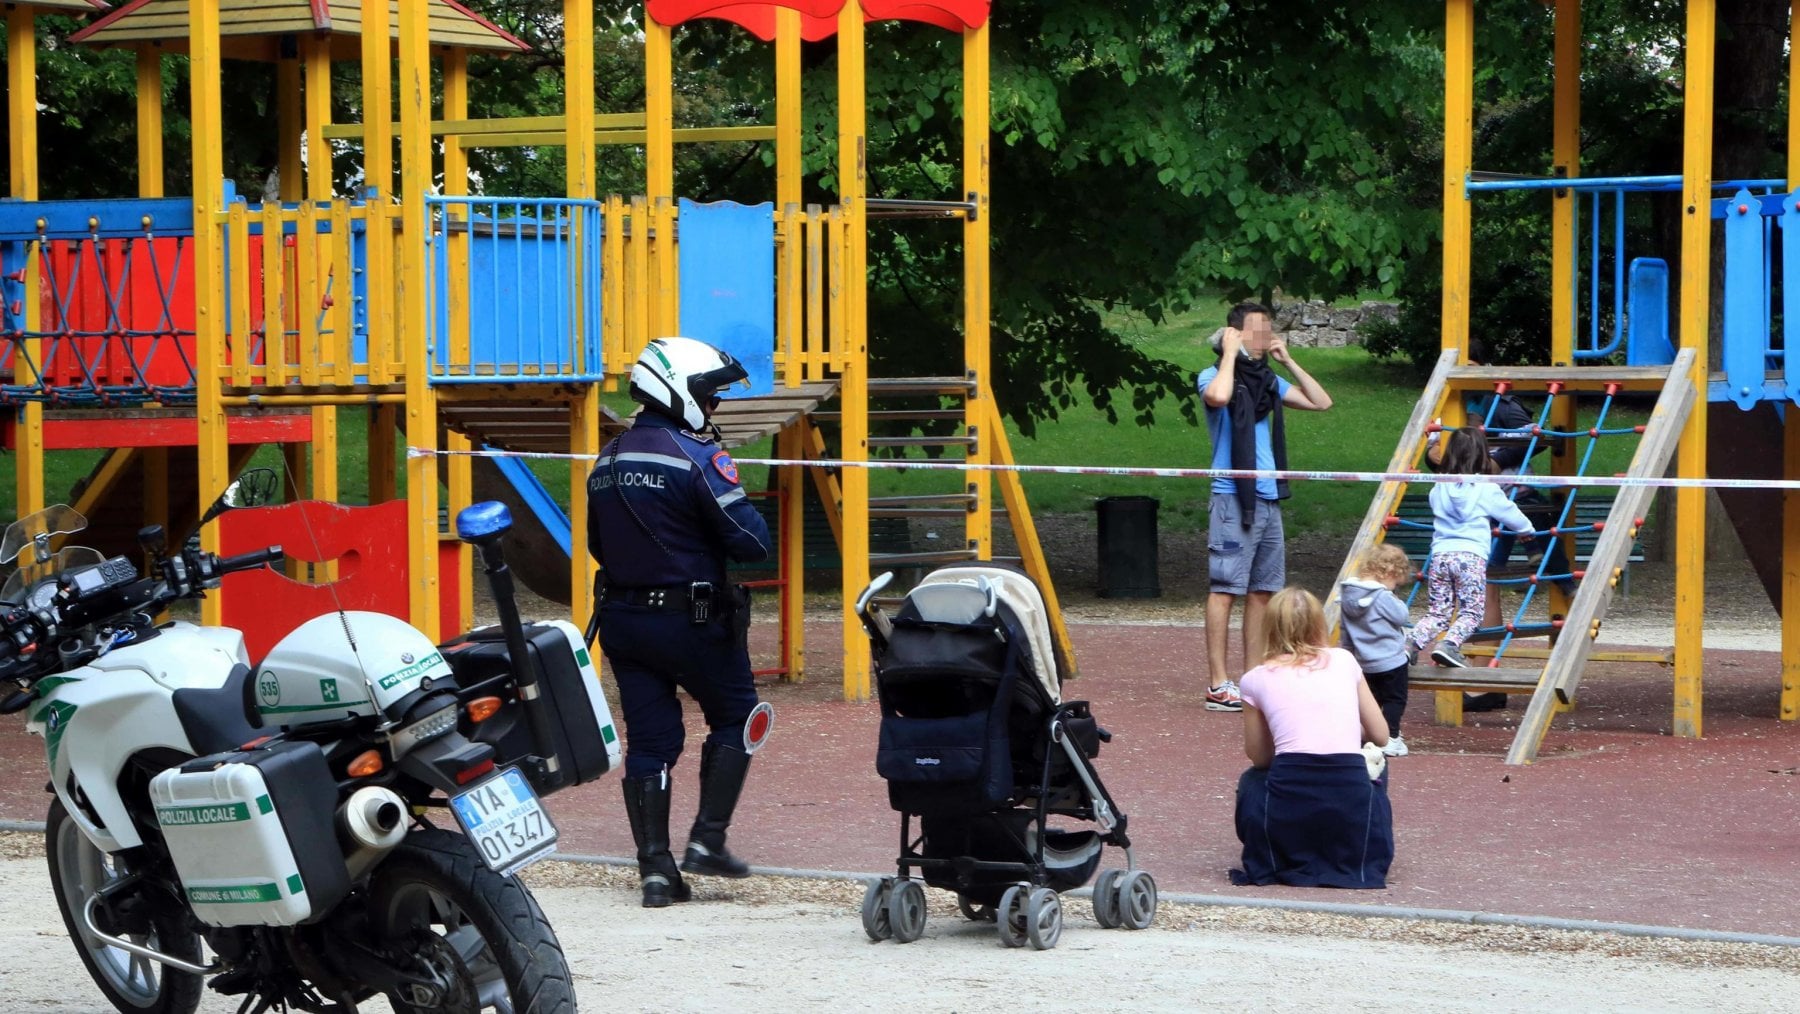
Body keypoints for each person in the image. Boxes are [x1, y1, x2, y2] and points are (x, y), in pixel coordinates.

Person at [588, 336, 775, 908]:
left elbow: (597, 545)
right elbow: (751, 544)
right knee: (740, 716)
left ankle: (655, 870)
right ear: (682, 394)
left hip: (622, 620)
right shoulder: (697, 457)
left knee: (651, 739)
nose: (714, 408)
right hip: (692, 621)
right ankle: (707, 841)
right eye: (711, 397)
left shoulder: (607, 459)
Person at [1198, 302, 1334, 712]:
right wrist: (1227, 354)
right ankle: (1218, 684)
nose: (1264, 338)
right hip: (1232, 493)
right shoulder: (1213, 375)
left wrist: (1288, 360)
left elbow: (1321, 402)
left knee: (1262, 591)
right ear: (1234, 333)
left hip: (1269, 495)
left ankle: (1252, 677)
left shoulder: (1268, 381)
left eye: (1268, 330)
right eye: (1256, 331)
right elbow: (1219, 396)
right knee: (1225, 589)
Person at [1230, 587, 1394, 889]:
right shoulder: (1344, 661)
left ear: (1269, 628)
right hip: (1348, 791)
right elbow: (1381, 735)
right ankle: (1354, 844)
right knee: (1378, 766)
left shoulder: (1255, 679)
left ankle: (1279, 850)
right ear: (1320, 624)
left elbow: (1260, 757)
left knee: (1252, 780)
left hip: (1289, 794)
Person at [1408, 427, 1535, 669]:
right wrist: (1527, 531)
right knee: (1472, 612)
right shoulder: (1486, 488)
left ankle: (1411, 644)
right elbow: (1511, 515)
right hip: (1470, 557)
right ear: (1482, 455)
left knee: (1438, 612)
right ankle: (1449, 645)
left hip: (1441, 557)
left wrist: (1433, 441)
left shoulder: (1438, 488)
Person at [1338, 543, 1414, 757]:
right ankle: (1391, 737)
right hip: (1391, 660)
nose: (1395, 587)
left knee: (1369, 701)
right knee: (1394, 699)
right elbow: (1402, 617)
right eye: (1396, 582)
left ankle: (1365, 735)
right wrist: (1394, 599)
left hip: (1364, 661)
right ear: (1389, 572)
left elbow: (1345, 629)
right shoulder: (1382, 597)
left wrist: (1348, 652)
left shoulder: (1348, 595)